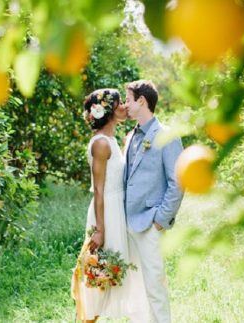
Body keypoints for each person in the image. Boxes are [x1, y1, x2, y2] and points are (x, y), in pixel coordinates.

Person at [71, 88, 149, 323]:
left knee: (112, 274)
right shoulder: (101, 145)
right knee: (99, 277)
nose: (124, 107)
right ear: (108, 110)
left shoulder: (112, 141)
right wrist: (100, 230)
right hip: (106, 214)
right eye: (119, 104)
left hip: (118, 212)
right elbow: (99, 190)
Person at [124, 80, 184, 323]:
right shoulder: (131, 136)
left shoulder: (167, 136)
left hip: (150, 224)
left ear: (141, 101)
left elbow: (178, 181)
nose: (126, 105)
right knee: (135, 289)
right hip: (127, 223)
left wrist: (160, 220)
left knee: (155, 287)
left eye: (128, 100)